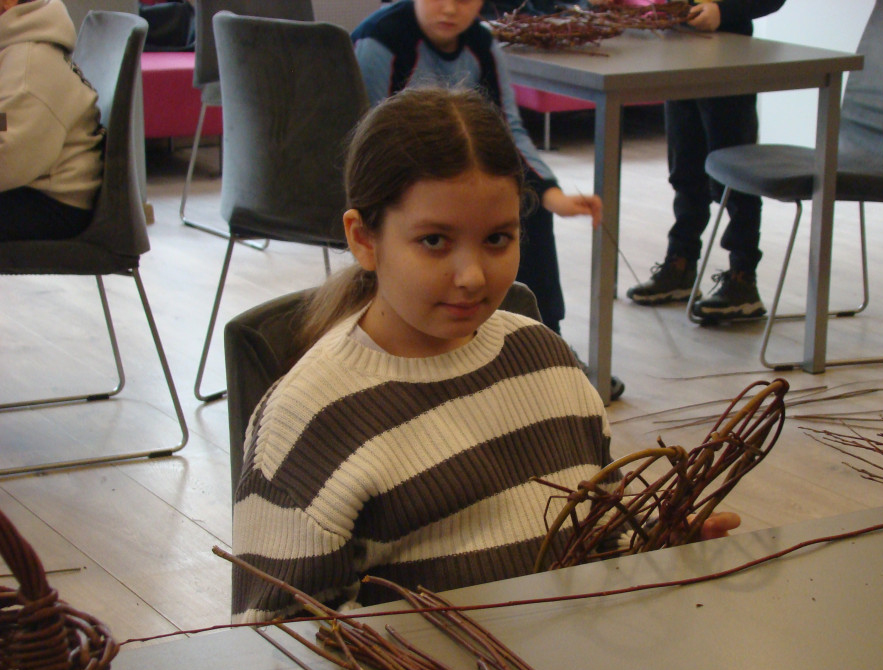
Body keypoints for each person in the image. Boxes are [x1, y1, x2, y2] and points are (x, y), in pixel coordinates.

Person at [231, 88, 738, 622]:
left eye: (497, 239)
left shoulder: (547, 359)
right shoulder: (308, 419)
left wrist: (657, 547)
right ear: (364, 240)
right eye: (434, 241)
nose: (472, 276)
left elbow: (598, 540)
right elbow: (277, 645)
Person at [350, 1, 607, 367]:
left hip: (458, 177)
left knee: (529, 206)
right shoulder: (380, 40)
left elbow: (506, 129)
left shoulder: (482, 43)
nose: (451, 9)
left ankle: (545, 338)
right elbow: (363, 140)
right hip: (396, 184)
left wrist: (551, 192)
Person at [624, 0, 786, 320]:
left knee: (735, 177)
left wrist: (723, 11)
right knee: (684, 171)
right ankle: (681, 265)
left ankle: (743, 279)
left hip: (731, 58)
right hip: (679, 50)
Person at [0, 0, 103, 241]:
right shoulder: (16, 46)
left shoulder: (29, 64)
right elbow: (8, 120)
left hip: (53, 202)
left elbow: (9, 158)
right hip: (35, 184)